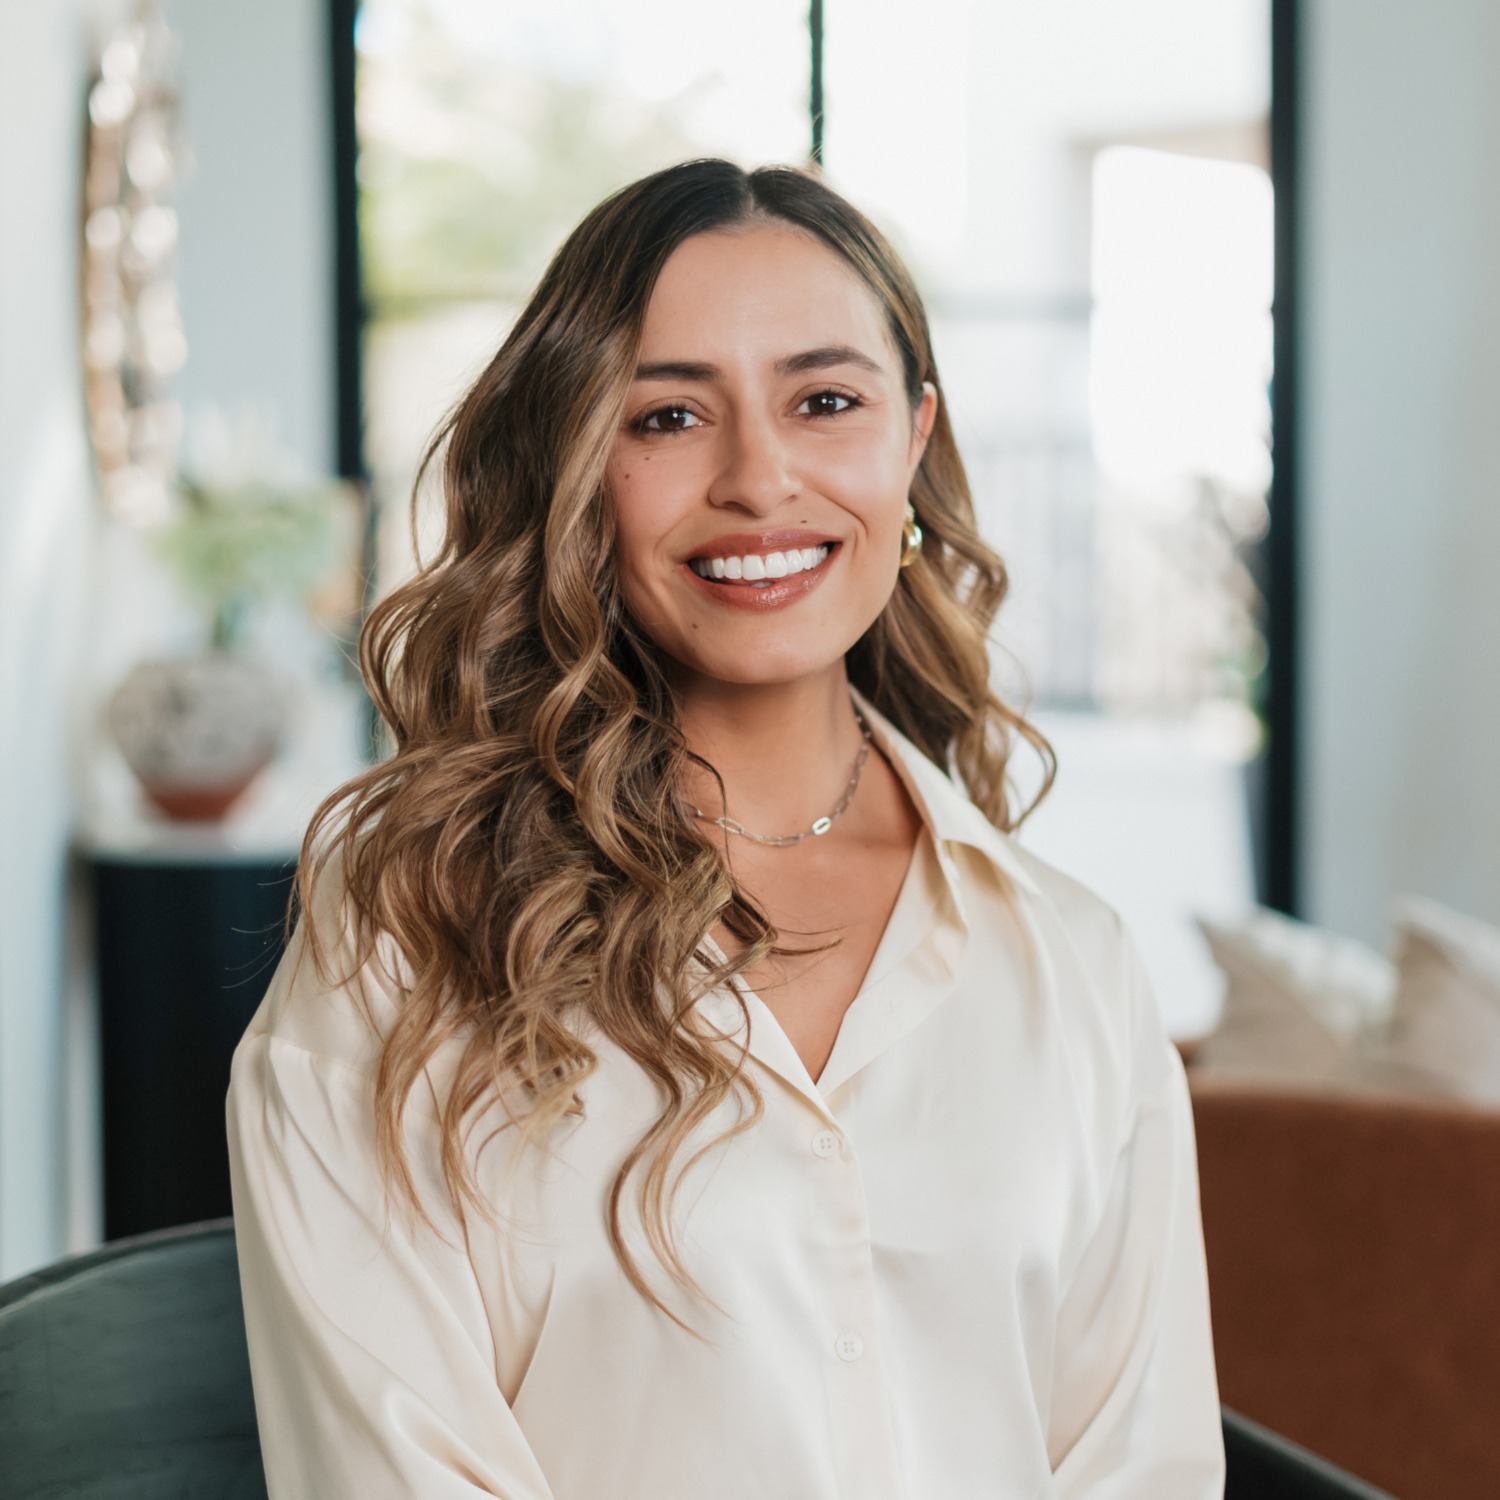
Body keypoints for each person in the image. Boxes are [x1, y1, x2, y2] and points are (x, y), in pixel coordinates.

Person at [227, 158, 1224, 1499]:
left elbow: (1141, 1466)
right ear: (576, 470)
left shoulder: (1074, 966)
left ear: (912, 443)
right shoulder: (406, 927)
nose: (761, 479)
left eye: (825, 402)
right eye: (668, 417)